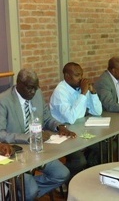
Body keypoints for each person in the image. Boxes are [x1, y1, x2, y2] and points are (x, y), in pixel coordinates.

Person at [0, 69, 75, 200]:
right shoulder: (4, 100)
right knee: (31, 190)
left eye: (35, 88)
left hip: (36, 149)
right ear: (19, 84)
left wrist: (59, 126)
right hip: (15, 152)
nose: (33, 92)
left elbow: (46, 118)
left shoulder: (37, 94)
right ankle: (26, 194)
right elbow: (1, 134)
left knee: (62, 174)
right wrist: (28, 138)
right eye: (30, 88)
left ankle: (18, 196)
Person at [50, 62, 103, 176]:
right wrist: (83, 93)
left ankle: (87, 175)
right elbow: (71, 119)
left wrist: (92, 92)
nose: (81, 78)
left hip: (79, 129)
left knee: (103, 147)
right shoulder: (60, 92)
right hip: (63, 133)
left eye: (81, 75)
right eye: (77, 75)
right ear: (67, 76)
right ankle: (65, 180)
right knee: (79, 161)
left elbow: (97, 112)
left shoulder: (79, 87)